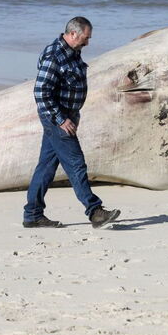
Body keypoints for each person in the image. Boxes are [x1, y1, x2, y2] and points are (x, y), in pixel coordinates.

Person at [22, 17, 121, 229]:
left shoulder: (73, 52)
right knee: (76, 163)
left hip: (67, 116)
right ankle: (95, 212)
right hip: (57, 119)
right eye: (86, 38)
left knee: (46, 168)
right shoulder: (54, 55)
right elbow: (41, 92)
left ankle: (32, 215)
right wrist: (61, 119)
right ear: (73, 34)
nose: (88, 43)